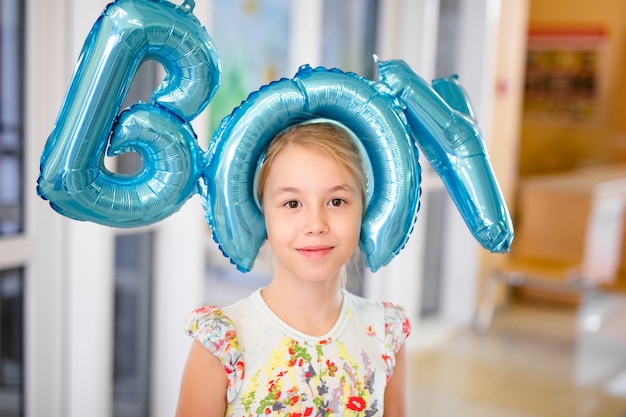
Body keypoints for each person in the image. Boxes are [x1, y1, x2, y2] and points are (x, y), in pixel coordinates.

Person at [175, 120, 411, 417]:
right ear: (262, 215)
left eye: (337, 201)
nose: (315, 225)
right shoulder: (222, 344)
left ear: (365, 208)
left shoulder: (386, 334)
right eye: (292, 203)